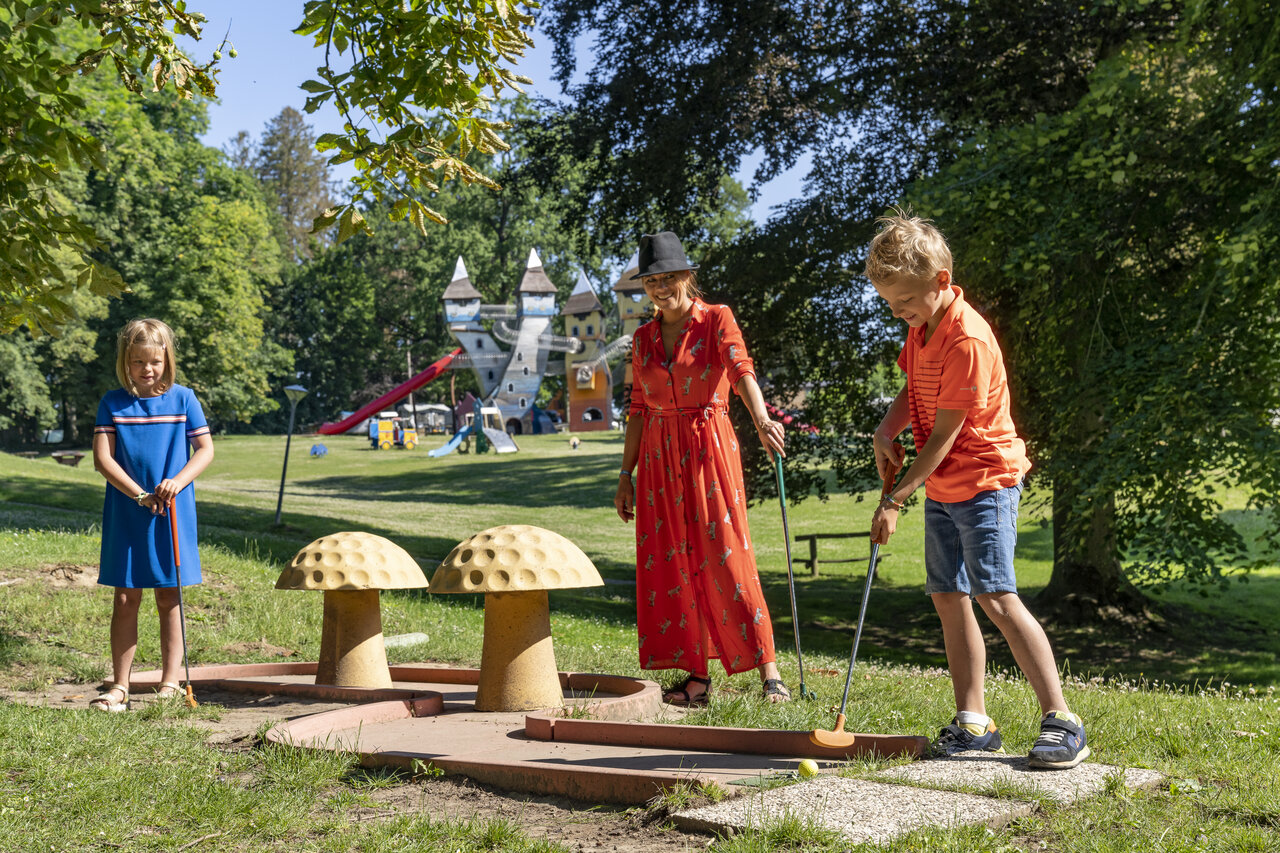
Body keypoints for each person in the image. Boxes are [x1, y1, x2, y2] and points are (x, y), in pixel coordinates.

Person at [866, 211, 1088, 769]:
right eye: (890, 304)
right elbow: (912, 391)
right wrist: (885, 429)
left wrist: (894, 501)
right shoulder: (922, 332)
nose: (899, 313)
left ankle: (1063, 719)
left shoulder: (968, 340)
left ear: (942, 281)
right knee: (948, 596)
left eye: (906, 301)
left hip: (985, 482)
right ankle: (975, 722)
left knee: (996, 596)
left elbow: (944, 434)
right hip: (944, 486)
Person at [614, 231, 790, 706]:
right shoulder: (643, 337)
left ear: (688, 277)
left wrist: (762, 418)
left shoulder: (716, 319)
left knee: (727, 552)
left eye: (669, 276)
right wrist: (625, 475)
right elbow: (637, 408)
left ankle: (769, 672)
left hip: (708, 446)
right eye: (651, 279)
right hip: (656, 457)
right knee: (675, 560)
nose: (660, 286)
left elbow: (741, 370)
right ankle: (697, 678)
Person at [90, 319, 214, 711]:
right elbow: (102, 459)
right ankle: (120, 688)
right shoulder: (112, 402)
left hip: (172, 512)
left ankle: (169, 684)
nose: (147, 369)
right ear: (125, 361)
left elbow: (205, 451)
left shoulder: (184, 400)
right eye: (138, 361)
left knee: (168, 597)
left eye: (155, 361)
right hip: (129, 511)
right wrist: (140, 494)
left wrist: (176, 482)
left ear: (167, 360)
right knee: (126, 598)